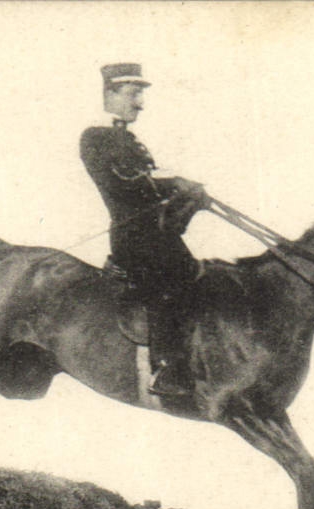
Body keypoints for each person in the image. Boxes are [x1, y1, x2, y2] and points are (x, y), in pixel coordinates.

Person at [80, 63, 210, 400]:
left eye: (140, 94)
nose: (139, 103)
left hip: (157, 235)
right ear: (109, 93)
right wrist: (176, 184)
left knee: (200, 277)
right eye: (132, 94)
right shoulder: (96, 137)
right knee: (173, 280)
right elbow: (125, 185)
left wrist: (188, 196)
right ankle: (165, 369)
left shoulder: (128, 138)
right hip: (134, 239)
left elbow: (148, 186)